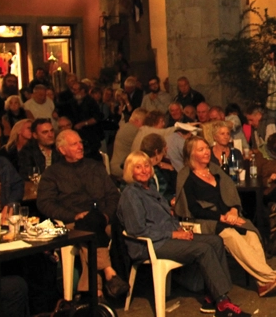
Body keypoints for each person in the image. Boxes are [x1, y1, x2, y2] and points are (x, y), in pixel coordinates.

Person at [117, 152, 252, 317]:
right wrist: (174, 234)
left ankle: (213, 297)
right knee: (203, 249)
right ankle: (223, 303)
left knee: (216, 240)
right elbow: (137, 229)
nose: (144, 170)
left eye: (146, 165)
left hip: (167, 237)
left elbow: (166, 218)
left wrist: (180, 230)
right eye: (138, 167)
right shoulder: (131, 194)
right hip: (151, 245)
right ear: (131, 171)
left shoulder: (150, 189)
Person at [174, 136, 276, 296]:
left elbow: (231, 194)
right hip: (206, 221)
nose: (206, 152)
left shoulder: (216, 171)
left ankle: (262, 284)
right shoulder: (186, 177)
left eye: (206, 148)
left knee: (251, 234)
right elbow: (193, 209)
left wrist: (233, 211)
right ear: (191, 154)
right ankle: (270, 277)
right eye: (201, 149)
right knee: (231, 236)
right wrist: (222, 217)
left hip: (228, 216)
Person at [36, 130, 127, 298]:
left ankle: (94, 290)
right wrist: (73, 216)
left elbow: (113, 195)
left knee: (91, 222)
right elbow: (45, 203)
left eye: (80, 143)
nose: (80, 147)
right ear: (62, 150)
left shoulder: (95, 167)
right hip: (72, 222)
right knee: (87, 225)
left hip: (103, 219)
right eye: (74, 144)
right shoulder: (52, 173)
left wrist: (106, 215)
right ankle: (107, 273)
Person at [111, 108, 148, 178]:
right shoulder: (135, 131)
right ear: (137, 121)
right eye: (145, 122)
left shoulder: (125, 126)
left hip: (116, 165)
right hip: (122, 169)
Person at [139, 133, 175, 201]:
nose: (166, 150)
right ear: (156, 152)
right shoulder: (147, 172)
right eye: (164, 149)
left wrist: (171, 169)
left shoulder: (163, 165)